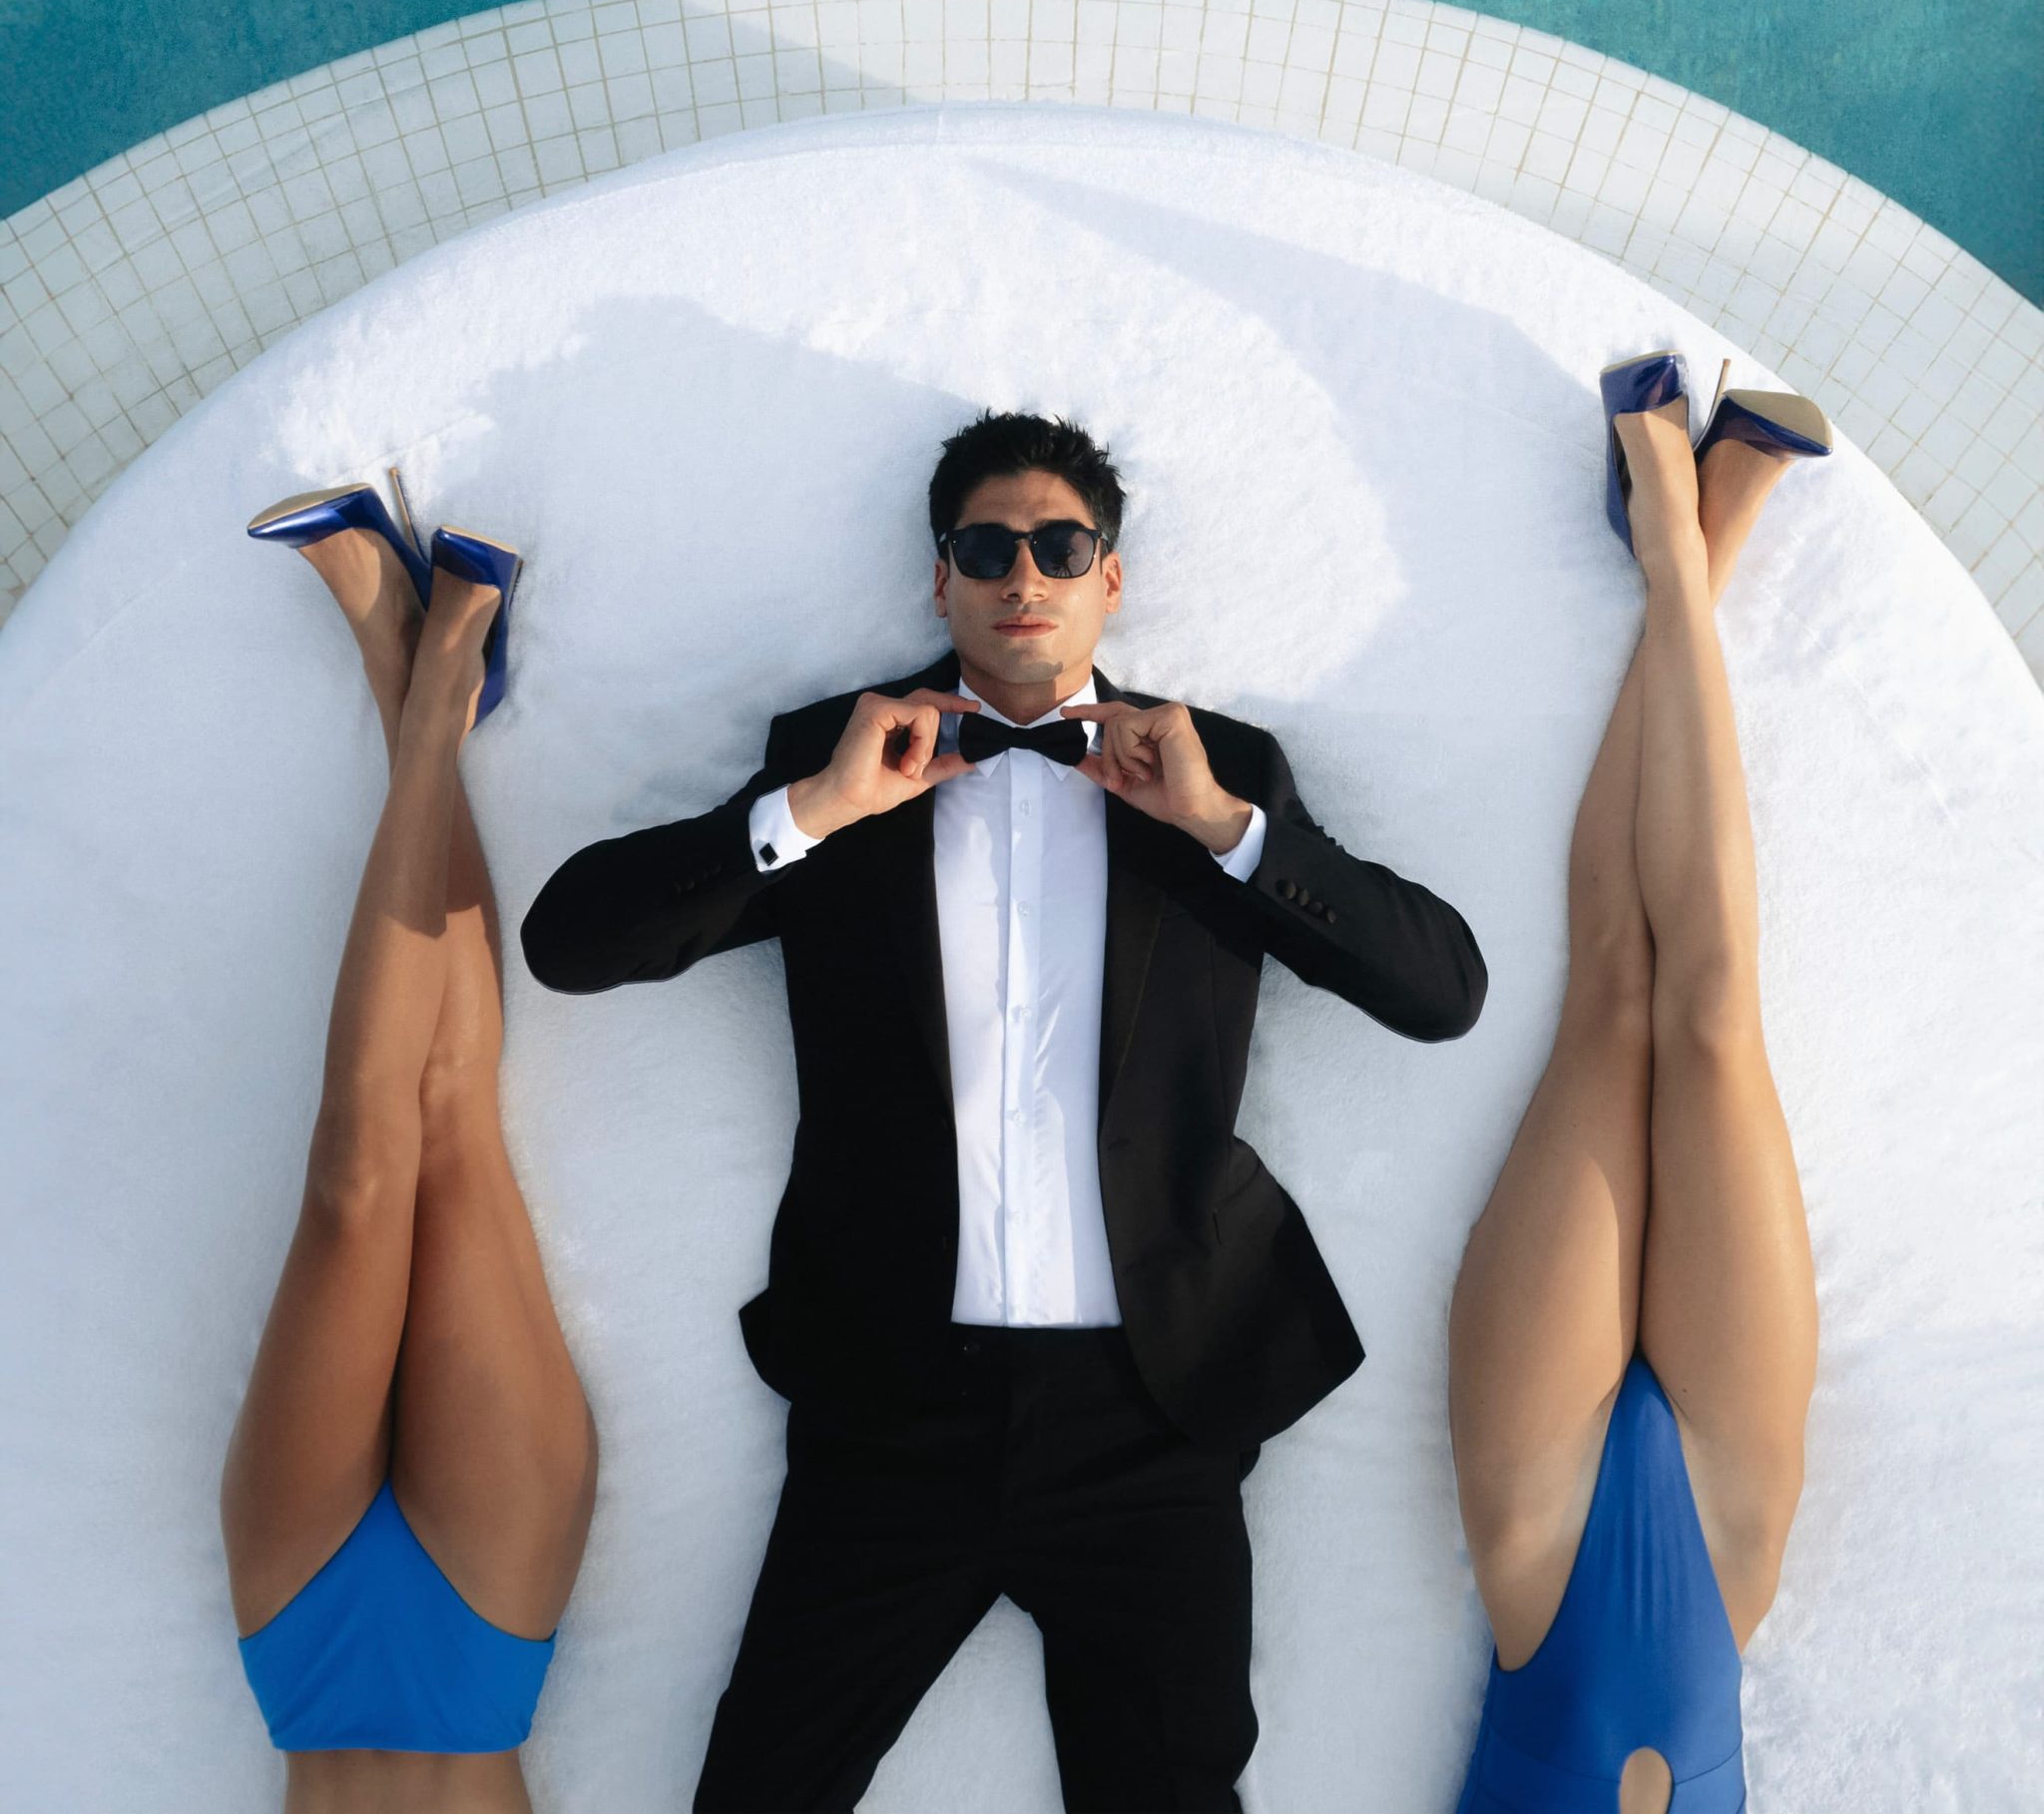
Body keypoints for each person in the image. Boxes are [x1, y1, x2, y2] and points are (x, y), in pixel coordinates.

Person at [523, 408, 1487, 1814]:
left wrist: (1230, 832)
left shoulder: (1219, 771)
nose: (1020, 571)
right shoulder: (840, 757)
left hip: (1153, 1414)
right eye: (986, 545)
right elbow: (570, 944)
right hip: (894, 1404)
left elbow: (1441, 991)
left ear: (1110, 579)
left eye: (1058, 543)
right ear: (941, 580)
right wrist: (809, 812)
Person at [1446, 357, 1829, 1814]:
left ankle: (1681, 530)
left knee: (1614, 993)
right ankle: (1694, 543)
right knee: (1719, 1017)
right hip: (1726, 1558)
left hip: (1541, 1556)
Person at [222, 479, 599, 1811]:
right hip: (478, 1635)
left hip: (306, 1649)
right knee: (444, 1118)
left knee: (349, 1180)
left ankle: (421, 677)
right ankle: (429, 684)